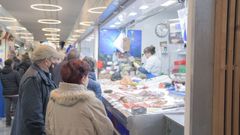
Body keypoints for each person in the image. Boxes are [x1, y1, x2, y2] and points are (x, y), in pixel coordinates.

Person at [45, 60, 115, 135]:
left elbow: (48, 129)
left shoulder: (52, 101)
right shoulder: (91, 103)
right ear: (83, 78)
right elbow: (107, 131)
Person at [11, 45, 64, 135]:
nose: (55, 63)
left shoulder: (40, 75)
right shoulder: (33, 79)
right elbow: (33, 117)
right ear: (46, 61)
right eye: (54, 60)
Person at [0, 59, 20, 126]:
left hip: (6, 93)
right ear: (11, 64)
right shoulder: (15, 73)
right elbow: (19, 83)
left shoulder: (1, 73)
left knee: (7, 108)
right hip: (15, 93)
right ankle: (16, 123)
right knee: (15, 108)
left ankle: (8, 122)